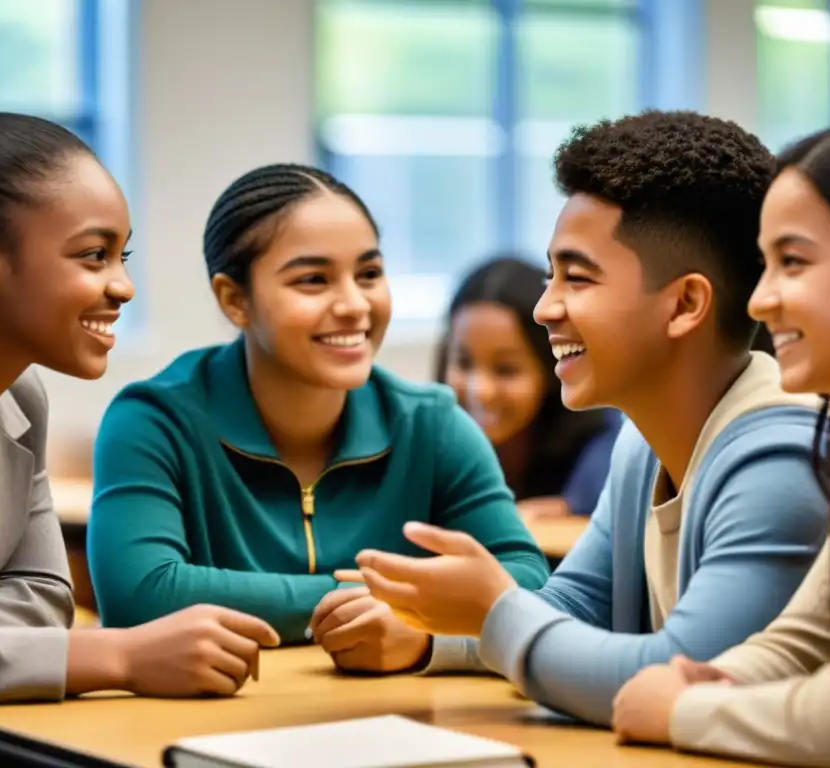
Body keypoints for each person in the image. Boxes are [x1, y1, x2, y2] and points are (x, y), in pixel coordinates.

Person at [347, 111, 829, 724]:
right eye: (552, 276)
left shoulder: (781, 457)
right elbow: (575, 606)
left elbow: (677, 676)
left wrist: (494, 611)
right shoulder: (642, 441)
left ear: (685, 304)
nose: (546, 308)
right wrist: (434, 637)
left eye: (577, 277)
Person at [0, 74, 283, 722]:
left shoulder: (16, 400)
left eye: (121, 256)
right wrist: (122, 658)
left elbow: (47, 595)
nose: (124, 287)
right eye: (93, 256)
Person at [88, 163, 550, 676]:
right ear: (234, 299)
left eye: (369, 274)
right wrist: (385, 598)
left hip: (392, 725)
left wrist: (412, 627)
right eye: (313, 280)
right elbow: (143, 595)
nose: (354, 305)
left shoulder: (433, 424)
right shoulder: (154, 421)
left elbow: (528, 580)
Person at [612, 119, 830, 767]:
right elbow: (800, 641)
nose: (759, 301)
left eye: (794, 262)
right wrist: (717, 679)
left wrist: (680, 709)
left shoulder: (779, 441)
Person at [436, 255, 621, 520]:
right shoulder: (427, 437)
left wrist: (571, 507)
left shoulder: (600, 444)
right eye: (464, 363)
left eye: (506, 370)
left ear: (552, 368)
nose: (481, 391)